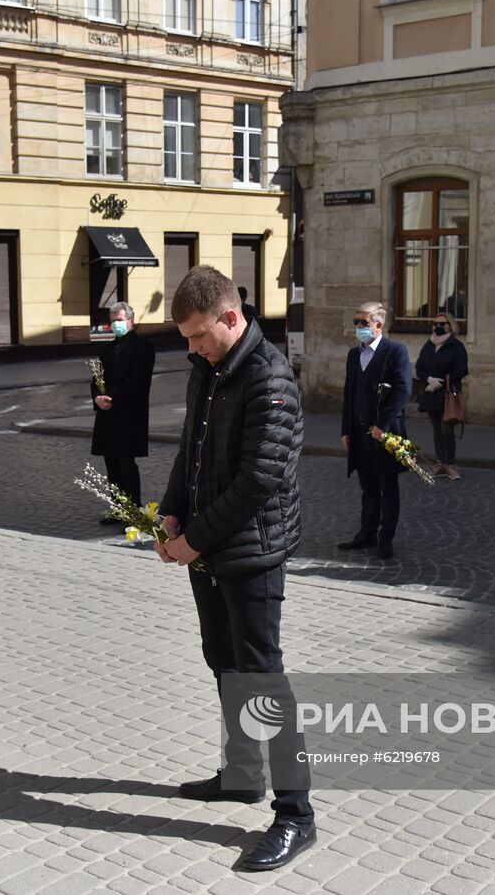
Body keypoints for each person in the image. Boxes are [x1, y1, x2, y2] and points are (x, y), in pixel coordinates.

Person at [157, 265, 315, 872]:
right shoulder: (208, 369)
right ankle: (243, 775)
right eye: (186, 339)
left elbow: (260, 478)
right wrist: (172, 513)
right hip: (209, 546)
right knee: (223, 662)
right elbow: (190, 449)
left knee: (261, 677)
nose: (191, 348)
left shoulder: (269, 375)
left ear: (230, 316)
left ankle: (296, 815)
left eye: (199, 335)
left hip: (252, 550)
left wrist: (195, 538)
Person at [338, 301, 411, 560]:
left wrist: (382, 426)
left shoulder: (395, 351)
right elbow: (349, 393)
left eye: (363, 323)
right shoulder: (353, 354)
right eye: (356, 322)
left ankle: (386, 538)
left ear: (378, 325)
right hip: (359, 433)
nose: (358, 327)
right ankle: (366, 533)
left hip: (385, 433)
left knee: (387, 486)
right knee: (367, 486)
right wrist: (346, 428)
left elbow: (403, 391)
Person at [91, 301, 155, 519]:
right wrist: (97, 398)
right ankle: (118, 508)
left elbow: (138, 380)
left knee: (126, 464)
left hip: (128, 415)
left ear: (130, 321)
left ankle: (134, 509)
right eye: (112, 321)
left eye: (119, 320)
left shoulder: (143, 347)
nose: (115, 324)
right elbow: (96, 378)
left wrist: (113, 398)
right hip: (107, 415)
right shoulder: (106, 349)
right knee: (111, 465)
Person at [414, 310, 468, 480]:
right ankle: (440, 464)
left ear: (450, 326)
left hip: (447, 394)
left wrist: (444, 381)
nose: (437, 326)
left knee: (447, 429)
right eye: (435, 323)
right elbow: (419, 367)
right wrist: (429, 379)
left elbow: (462, 369)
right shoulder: (429, 345)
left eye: (442, 324)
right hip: (431, 393)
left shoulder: (456, 346)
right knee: (437, 429)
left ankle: (450, 465)